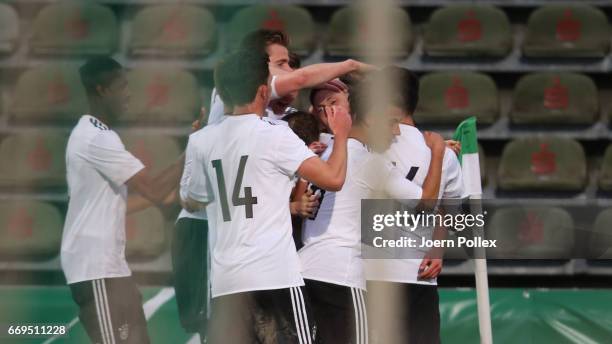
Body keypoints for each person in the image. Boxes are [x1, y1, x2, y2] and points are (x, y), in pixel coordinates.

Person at [184, 50, 353, 344]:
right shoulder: (276, 135)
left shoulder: (201, 141)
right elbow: (334, 179)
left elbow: (191, 199)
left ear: (221, 93)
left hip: (226, 285)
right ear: (264, 90)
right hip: (275, 277)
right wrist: (340, 134)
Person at [298, 78, 448, 344]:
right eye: (391, 121)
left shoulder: (324, 153)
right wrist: (438, 153)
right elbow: (426, 203)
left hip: (305, 271)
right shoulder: (370, 163)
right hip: (341, 276)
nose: (396, 131)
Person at [61, 56, 183, 344]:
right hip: (95, 268)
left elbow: (129, 202)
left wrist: (175, 197)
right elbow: (152, 189)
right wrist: (193, 148)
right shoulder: (97, 138)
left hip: (110, 267)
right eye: (122, 86)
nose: (128, 94)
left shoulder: (94, 134)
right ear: (103, 90)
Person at [364, 67, 465, 344]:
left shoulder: (363, 145)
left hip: (368, 274)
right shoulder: (442, 153)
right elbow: (453, 212)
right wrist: (438, 248)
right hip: (417, 274)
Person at [207, 29, 373, 125]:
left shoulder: (280, 113)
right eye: (280, 64)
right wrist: (352, 66)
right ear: (256, 61)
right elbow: (300, 78)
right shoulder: (240, 82)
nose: (289, 70)